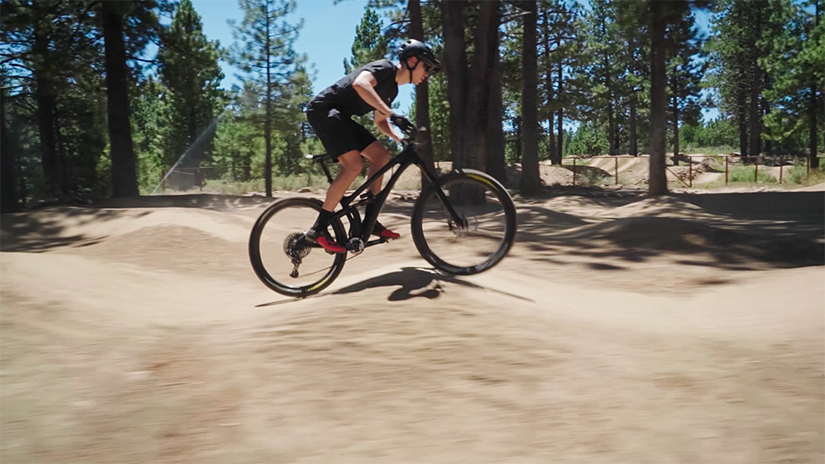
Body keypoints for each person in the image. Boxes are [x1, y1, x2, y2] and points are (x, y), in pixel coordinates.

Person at [304, 39, 441, 253]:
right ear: (413, 61)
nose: (428, 73)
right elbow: (361, 84)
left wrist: (399, 138)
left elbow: (380, 121)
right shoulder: (385, 68)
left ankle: (370, 221)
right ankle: (318, 229)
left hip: (341, 117)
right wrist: (393, 113)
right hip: (324, 111)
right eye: (427, 67)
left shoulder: (392, 90)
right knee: (353, 165)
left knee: (381, 155)